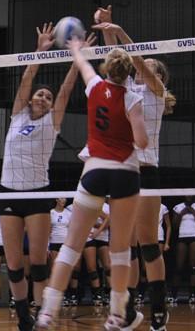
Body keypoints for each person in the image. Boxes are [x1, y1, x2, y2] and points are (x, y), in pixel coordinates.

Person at [35, 39, 148, 331]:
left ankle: (47, 311)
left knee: (71, 247)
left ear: (107, 68)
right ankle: (116, 315)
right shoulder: (133, 98)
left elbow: (82, 63)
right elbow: (143, 141)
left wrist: (76, 46)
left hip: (95, 170)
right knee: (120, 249)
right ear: (128, 72)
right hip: (125, 172)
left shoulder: (95, 86)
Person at [0, 24, 93, 331]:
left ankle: (42, 316)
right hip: (9, 192)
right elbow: (27, 77)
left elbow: (66, 91)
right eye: (40, 93)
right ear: (30, 100)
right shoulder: (18, 115)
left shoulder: (52, 122)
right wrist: (40, 50)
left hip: (38, 193)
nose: (42, 95)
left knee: (38, 263)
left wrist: (77, 59)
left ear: (51, 106)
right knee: (14, 265)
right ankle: (23, 316)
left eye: (47, 96)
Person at [93, 11, 177, 330]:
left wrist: (122, 32)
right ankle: (127, 311)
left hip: (146, 171)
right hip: (122, 171)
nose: (144, 68)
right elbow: (117, 61)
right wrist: (107, 30)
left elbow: (137, 62)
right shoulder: (127, 91)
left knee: (148, 243)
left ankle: (158, 309)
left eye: (151, 66)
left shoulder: (154, 93)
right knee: (122, 244)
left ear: (159, 76)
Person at [171, 196, 195, 304]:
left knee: (193, 267)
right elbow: (175, 226)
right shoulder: (178, 207)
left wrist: (194, 213)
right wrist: (181, 214)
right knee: (178, 267)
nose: (189, 197)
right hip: (182, 237)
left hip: (194, 236)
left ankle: (192, 295)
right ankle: (174, 295)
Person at [48, 198, 75, 305]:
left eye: (64, 198)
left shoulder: (68, 213)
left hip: (65, 244)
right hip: (54, 243)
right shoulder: (51, 213)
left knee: (64, 270)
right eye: (61, 198)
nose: (63, 200)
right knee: (54, 270)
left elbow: (72, 229)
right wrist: (47, 246)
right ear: (56, 199)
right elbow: (47, 230)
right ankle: (54, 296)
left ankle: (65, 295)